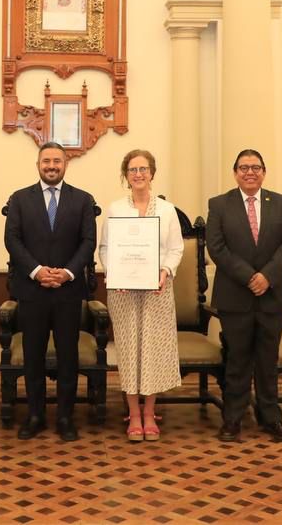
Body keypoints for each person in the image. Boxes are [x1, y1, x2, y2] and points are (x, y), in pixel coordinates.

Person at [4, 141, 98, 441]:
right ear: (38, 165)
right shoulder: (20, 199)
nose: (52, 166)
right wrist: (37, 271)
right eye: (46, 161)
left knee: (68, 357)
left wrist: (67, 273)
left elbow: (88, 242)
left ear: (65, 164)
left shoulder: (83, 200)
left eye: (57, 161)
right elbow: (12, 240)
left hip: (68, 292)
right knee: (33, 356)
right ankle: (35, 415)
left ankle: (65, 417)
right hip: (32, 290)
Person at [205, 149, 282, 444]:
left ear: (264, 172)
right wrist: (249, 276)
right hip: (235, 295)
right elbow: (216, 247)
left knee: (268, 361)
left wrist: (267, 276)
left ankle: (271, 417)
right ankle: (233, 418)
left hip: (272, 295)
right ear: (235, 173)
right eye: (244, 167)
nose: (250, 172)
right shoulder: (219, 205)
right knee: (237, 360)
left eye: (255, 167)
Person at [98, 149, 183, 442]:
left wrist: (165, 272)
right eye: (133, 170)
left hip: (158, 289)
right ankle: (133, 414)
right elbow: (105, 248)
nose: (138, 174)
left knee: (153, 351)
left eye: (143, 169)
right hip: (123, 292)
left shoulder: (167, 210)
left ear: (152, 173)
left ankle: (150, 412)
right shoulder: (115, 209)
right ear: (126, 175)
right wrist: (114, 274)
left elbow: (176, 249)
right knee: (129, 350)